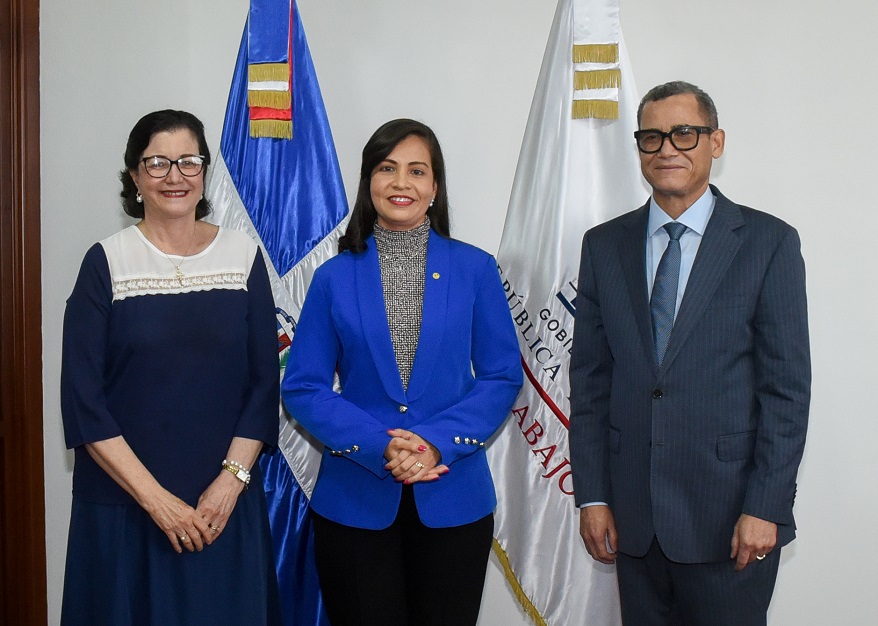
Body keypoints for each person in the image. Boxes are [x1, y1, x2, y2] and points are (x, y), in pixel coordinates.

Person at [569, 82, 810, 625]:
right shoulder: (604, 246)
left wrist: (765, 506)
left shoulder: (768, 243)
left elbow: (787, 392)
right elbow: (589, 383)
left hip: (729, 520)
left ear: (715, 142)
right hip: (632, 519)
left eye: (684, 133)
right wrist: (593, 496)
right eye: (651, 137)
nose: (667, 149)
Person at [282, 118, 522, 625]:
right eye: (387, 169)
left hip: (453, 499)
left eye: (417, 170)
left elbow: (501, 375)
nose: (401, 183)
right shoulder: (334, 276)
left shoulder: (476, 269)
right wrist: (379, 444)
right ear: (370, 181)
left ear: (435, 188)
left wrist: (434, 443)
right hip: (354, 502)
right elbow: (303, 386)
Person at [60, 109, 281, 624]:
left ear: (204, 173)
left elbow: (263, 384)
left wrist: (230, 483)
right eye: (157, 163)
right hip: (126, 511)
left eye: (188, 161)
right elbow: (83, 401)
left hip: (221, 511)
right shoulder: (105, 263)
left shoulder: (242, 256)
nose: (174, 176)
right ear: (135, 177)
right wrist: (156, 501)